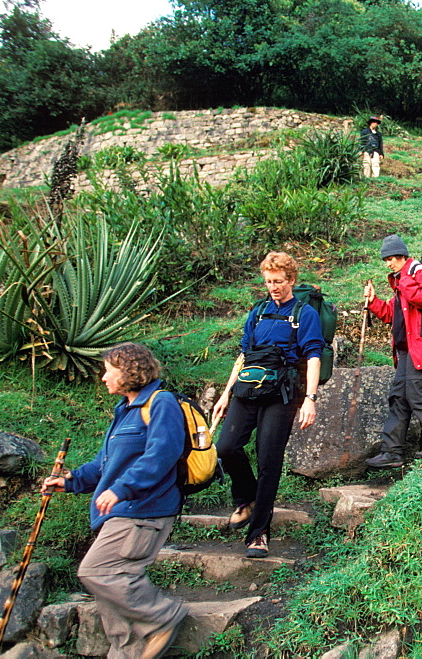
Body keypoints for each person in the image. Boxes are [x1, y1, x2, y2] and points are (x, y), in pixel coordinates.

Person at [42, 342, 188, 659]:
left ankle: (162, 614)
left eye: (109, 370)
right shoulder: (125, 410)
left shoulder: (161, 403)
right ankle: (126, 652)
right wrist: (69, 481)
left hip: (144, 511)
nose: (103, 377)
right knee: (107, 595)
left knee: (96, 572)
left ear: (129, 372)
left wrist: (123, 489)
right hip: (121, 512)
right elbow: (103, 465)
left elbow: (162, 455)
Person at [211, 252, 323, 558]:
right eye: (268, 281)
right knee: (226, 447)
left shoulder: (304, 314)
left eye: (278, 281)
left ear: (291, 280)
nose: (273, 287)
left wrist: (310, 399)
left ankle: (259, 533)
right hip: (247, 391)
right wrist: (225, 394)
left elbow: (314, 356)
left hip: (281, 396)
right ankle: (246, 499)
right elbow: (244, 355)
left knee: (268, 461)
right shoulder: (258, 312)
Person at [364, 234, 422, 467]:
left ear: (403, 256)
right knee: (398, 398)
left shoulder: (419, 273)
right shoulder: (403, 281)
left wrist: (403, 280)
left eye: (392, 258)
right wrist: (374, 301)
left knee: (417, 394)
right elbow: (390, 315)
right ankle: (391, 452)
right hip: (406, 350)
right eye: (386, 260)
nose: (389, 264)